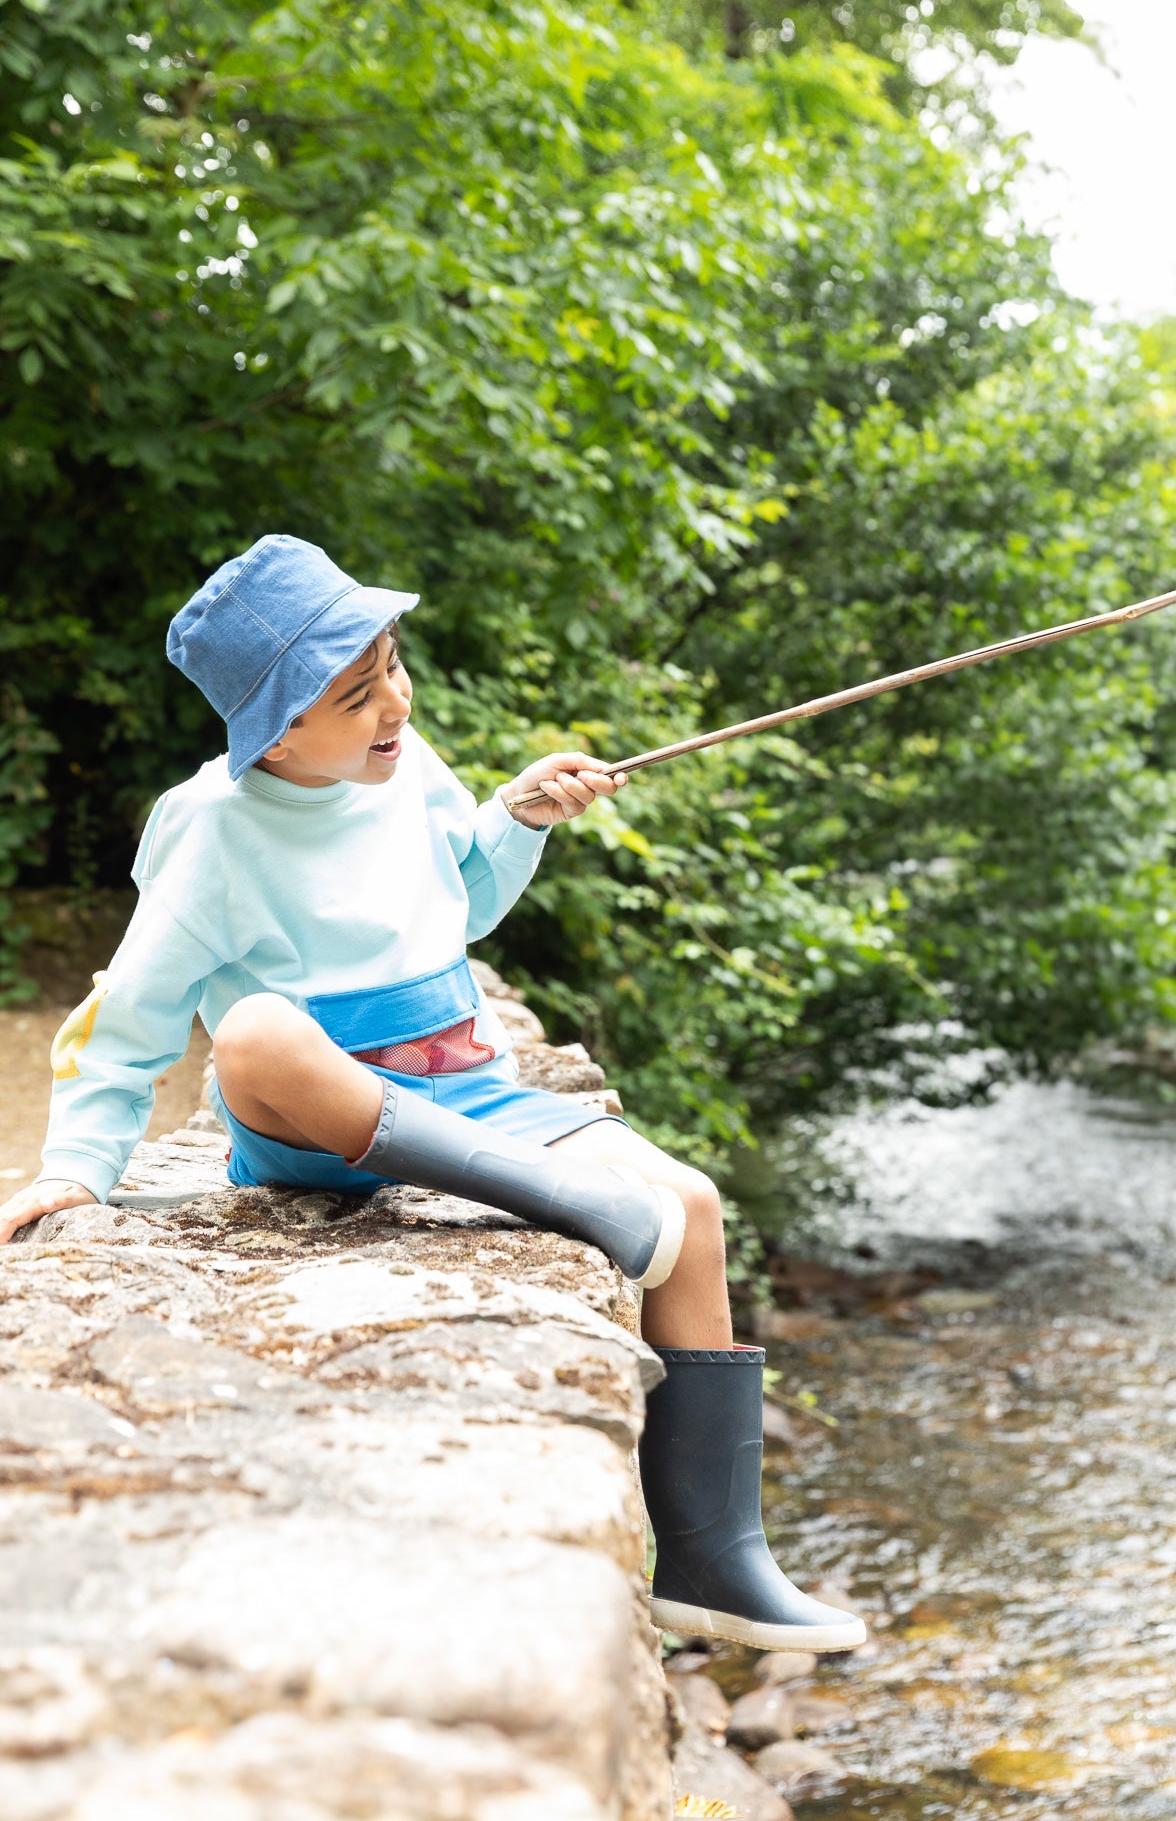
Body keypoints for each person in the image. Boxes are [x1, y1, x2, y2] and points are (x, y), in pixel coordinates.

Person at [0, 535, 863, 1654]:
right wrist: (75, 1168)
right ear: (273, 728)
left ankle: (712, 1560)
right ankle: (564, 1197)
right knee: (254, 1033)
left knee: (690, 1206)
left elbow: (459, 901)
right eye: (355, 695)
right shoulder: (209, 829)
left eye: (392, 665)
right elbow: (131, 1020)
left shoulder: (407, 767)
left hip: (467, 1098)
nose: (392, 703)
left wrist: (519, 819)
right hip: (317, 1122)